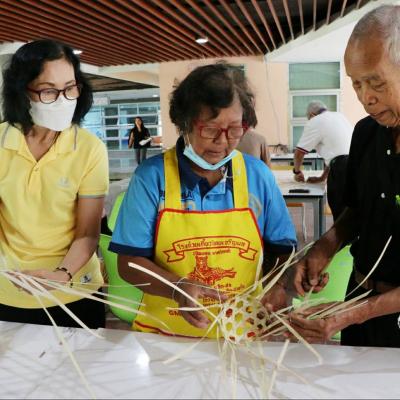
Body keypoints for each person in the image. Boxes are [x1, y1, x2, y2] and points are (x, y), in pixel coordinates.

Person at [109, 62, 297, 337]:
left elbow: (282, 251)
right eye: (210, 129)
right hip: (165, 335)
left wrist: (280, 288)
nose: (222, 141)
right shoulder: (152, 178)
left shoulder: (257, 176)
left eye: (235, 129)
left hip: (243, 334)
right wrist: (177, 288)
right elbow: (129, 262)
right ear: (184, 123)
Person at [288, 4, 400, 348]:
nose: (366, 98)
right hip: (359, 293)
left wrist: (353, 313)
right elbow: (357, 211)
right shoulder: (366, 133)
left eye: (376, 83)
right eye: (356, 84)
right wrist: (324, 247)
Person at [0, 39, 109, 328]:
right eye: (49, 90)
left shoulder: (89, 149)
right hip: (9, 289)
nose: (63, 100)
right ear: (22, 91)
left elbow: (87, 233)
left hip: (75, 289)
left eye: (70, 88)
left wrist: (63, 274)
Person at [293, 101, 353, 221]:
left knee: (340, 212)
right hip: (357, 165)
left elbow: (299, 153)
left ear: (312, 115)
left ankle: (341, 233)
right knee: (352, 211)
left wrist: (297, 172)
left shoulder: (315, 121)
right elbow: (336, 154)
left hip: (341, 170)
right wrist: (322, 177)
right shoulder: (340, 116)